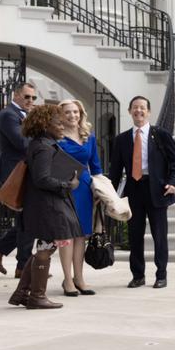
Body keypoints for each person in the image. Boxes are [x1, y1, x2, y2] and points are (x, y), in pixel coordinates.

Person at [7, 104, 82, 309]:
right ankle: (37, 296)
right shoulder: (43, 147)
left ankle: (22, 293)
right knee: (46, 248)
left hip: (44, 206)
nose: (62, 125)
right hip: (47, 207)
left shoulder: (41, 143)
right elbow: (42, 179)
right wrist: (69, 184)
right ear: (45, 124)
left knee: (44, 247)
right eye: (58, 122)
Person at [107, 96, 175, 289]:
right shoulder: (122, 139)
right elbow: (115, 170)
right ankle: (138, 275)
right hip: (133, 190)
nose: (138, 111)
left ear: (148, 112)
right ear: (130, 112)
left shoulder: (161, 135)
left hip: (157, 190)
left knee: (159, 235)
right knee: (134, 235)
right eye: (135, 108)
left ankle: (161, 275)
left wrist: (173, 182)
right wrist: (110, 195)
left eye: (142, 108)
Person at [56, 99, 102, 296]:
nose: (72, 115)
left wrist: (99, 189)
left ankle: (79, 278)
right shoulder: (55, 137)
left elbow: (96, 167)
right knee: (66, 235)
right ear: (61, 115)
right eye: (67, 112)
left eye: (75, 112)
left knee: (81, 234)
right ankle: (67, 280)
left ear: (81, 114)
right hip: (62, 189)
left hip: (84, 188)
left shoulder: (88, 137)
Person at [0, 81, 39, 277]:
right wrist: (40, 139)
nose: (30, 101)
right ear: (16, 96)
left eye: (33, 98)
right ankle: (23, 266)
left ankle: (19, 262)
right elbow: (22, 143)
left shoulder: (26, 116)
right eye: (27, 97)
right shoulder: (8, 115)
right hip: (15, 174)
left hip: (28, 173)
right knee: (28, 219)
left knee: (27, 219)